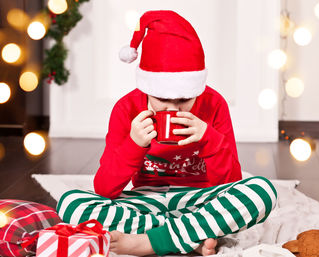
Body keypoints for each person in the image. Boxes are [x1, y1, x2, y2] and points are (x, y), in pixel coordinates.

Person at [57, 10, 277, 256]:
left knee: (262, 191)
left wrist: (209, 140)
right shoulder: (126, 108)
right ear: (148, 87)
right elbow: (104, 188)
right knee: (70, 203)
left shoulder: (214, 104)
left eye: (184, 99)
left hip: (200, 200)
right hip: (145, 203)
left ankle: (150, 241)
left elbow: (230, 183)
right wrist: (134, 144)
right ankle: (190, 236)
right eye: (162, 99)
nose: (173, 109)